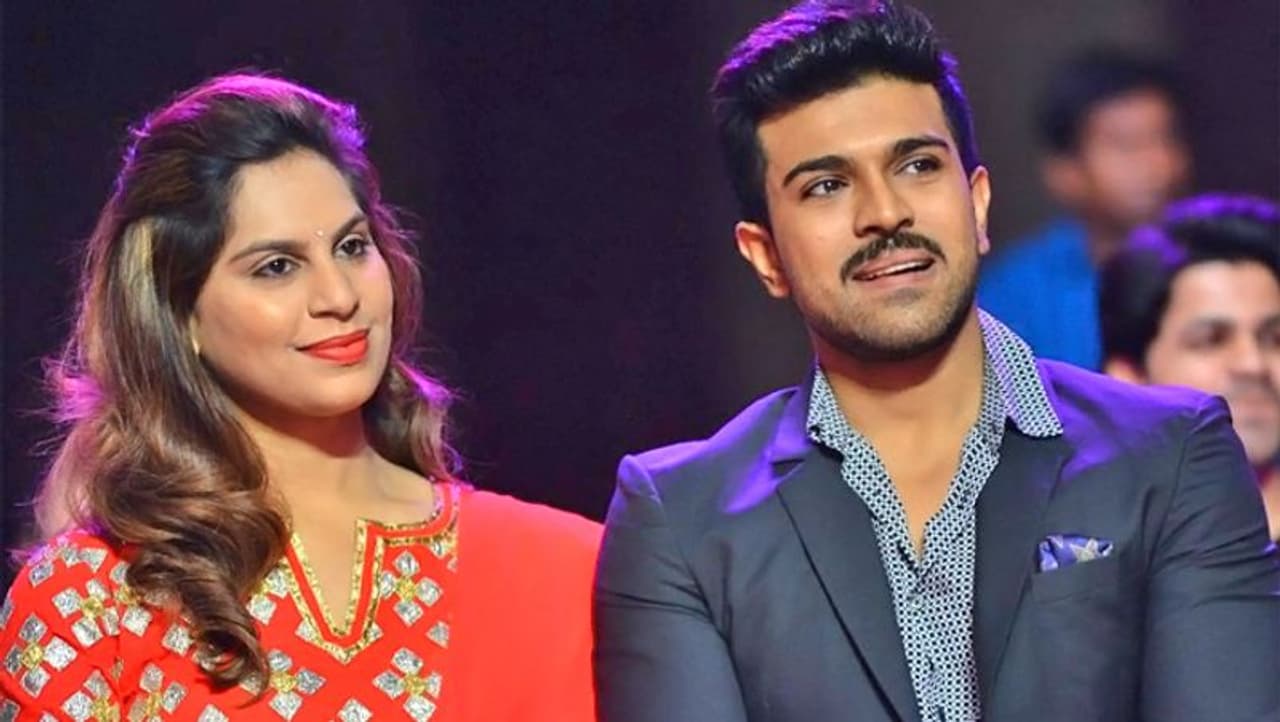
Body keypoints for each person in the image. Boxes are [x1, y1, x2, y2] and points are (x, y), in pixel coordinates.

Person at [593, 3, 1279, 722]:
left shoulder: (1171, 456)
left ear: (976, 204)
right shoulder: (683, 519)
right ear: (765, 256)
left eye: (917, 165)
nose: (885, 212)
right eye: (826, 185)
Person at [0, 73, 599, 721]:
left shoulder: (564, 570)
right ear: (179, 315)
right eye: (277, 267)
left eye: (352, 247)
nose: (338, 296)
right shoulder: (93, 601)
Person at [978, 48, 1190, 369]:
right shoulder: (1014, 296)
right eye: (1127, 145)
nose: (1158, 164)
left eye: (1166, 139)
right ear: (1064, 172)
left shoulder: (1216, 264)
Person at [1101, 194, 1280, 540]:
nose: (1253, 363)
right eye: (1211, 340)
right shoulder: (1082, 547)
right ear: (1128, 378)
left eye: (1274, 338)